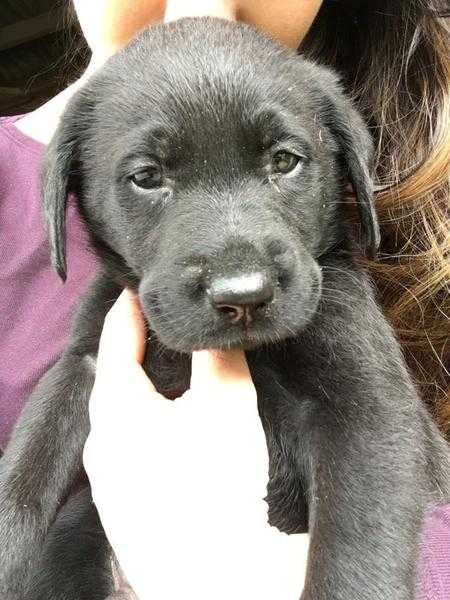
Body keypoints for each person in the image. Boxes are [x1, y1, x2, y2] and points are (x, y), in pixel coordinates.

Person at [0, 0, 448, 598]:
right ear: (72, 195)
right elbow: (71, 387)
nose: (241, 281)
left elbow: (374, 434)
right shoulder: (114, 288)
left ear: (346, 170)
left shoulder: (339, 292)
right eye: (148, 176)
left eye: (284, 161)